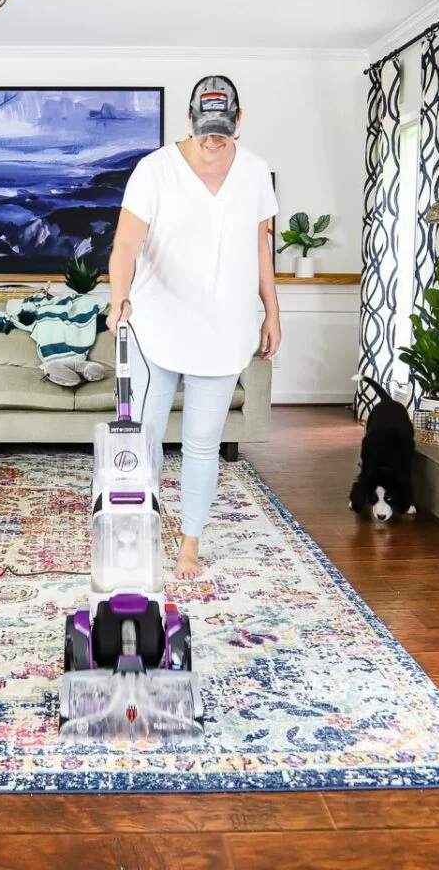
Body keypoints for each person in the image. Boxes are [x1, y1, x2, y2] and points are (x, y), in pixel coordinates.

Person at [107, 75, 280, 579]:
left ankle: (189, 544)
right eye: (206, 131)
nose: (213, 141)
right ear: (190, 120)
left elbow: (260, 248)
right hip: (155, 324)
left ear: (238, 121)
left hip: (224, 330)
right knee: (144, 437)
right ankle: (144, 520)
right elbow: (124, 245)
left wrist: (273, 310)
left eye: (223, 132)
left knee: (203, 444)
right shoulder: (154, 170)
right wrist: (119, 297)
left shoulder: (255, 173)